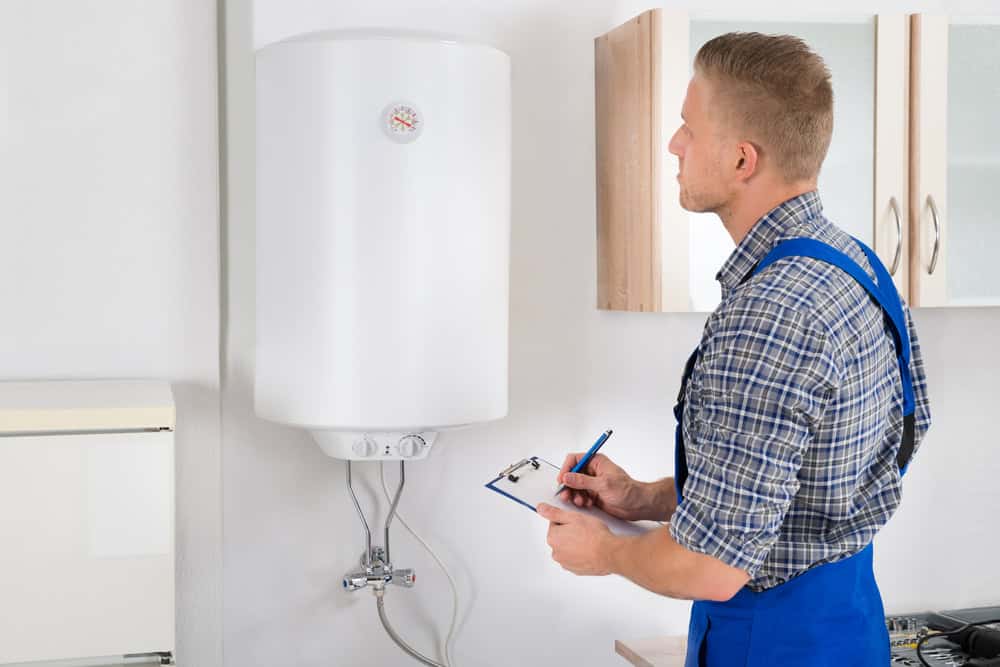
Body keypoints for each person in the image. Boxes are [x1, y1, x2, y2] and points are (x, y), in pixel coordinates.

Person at [536, 32, 932, 666]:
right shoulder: (857, 265)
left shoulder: (769, 315)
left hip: (769, 642)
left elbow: (710, 566)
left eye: (689, 127)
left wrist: (604, 551)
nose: (674, 144)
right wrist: (641, 498)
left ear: (743, 160)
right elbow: (803, 482)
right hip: (849, 625)